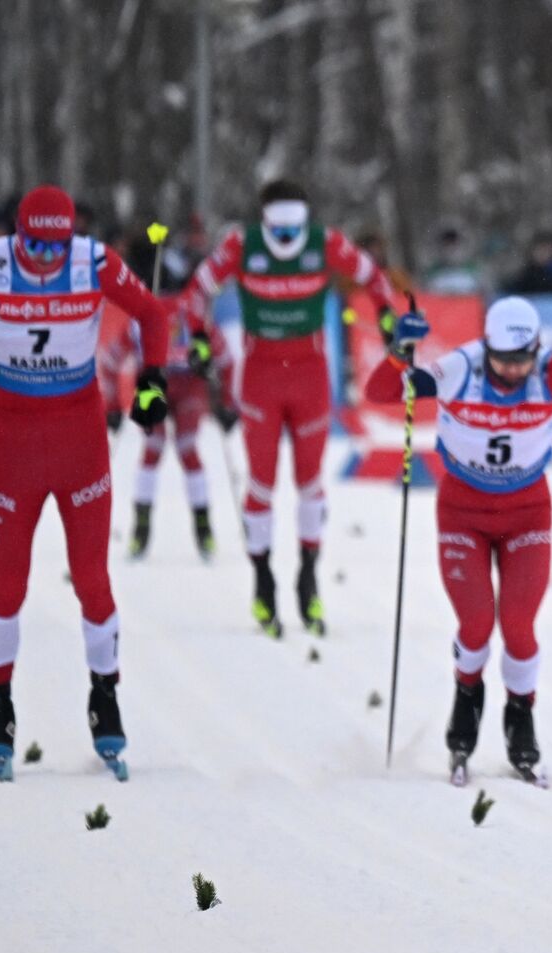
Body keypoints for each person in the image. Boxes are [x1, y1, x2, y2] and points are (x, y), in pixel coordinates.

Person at [0, 184, 172, 781]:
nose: (47, 260)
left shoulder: (93, 260)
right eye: (35, 245)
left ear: (70, 237)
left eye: (57, 246)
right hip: (15, 445)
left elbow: (154, 314)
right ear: (16, 234)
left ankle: (104, 697)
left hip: (80, 441)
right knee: (8, 584)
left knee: (93, 579)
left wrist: (152, 381)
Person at [364, 296, 552, 781]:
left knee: (517, 624)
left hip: (527, 512)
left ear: (536, 348)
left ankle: (520, 716)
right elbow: (380, 393)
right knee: (475, 625)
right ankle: (466, 698)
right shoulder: (461, 368)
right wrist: (398, 349)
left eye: (521, 360)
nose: (512, 371)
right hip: (462, 513)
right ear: (486, 345)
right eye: (502, 359)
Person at [181, 179, 397, 638]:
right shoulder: (241, 245)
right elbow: (196, 293)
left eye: (291, 233)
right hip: (261, 377)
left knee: (309, 482)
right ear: (263, 222)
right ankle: (263, 580)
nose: (283, 244)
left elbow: (375, 277)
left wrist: (386, 316)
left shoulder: (327, 243)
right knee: (261, 481)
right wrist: (199, 339)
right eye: (277, 233)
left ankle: (308, 577)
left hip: (309, 378)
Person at [99, 281, 237, 561]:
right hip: (153, 385)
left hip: (188, 386)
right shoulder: (140, 322)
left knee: (186, 448)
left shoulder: (196, 318)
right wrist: (111, 407)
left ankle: (202, 525)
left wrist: (226, 403)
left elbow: (225, 361)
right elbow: (110, 362)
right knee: (154, 447)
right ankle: (142, 525)